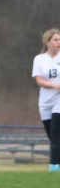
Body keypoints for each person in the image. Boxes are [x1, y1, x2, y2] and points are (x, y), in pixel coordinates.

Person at [31, 28, 60, 171]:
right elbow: (39, 81)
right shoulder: (39, 59)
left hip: (58, 101)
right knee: (53, 137)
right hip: (45, 103)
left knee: (56, 134)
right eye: (55, 40)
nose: (59, 42)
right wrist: (55, 85)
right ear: (47, 42)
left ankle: (54, 167)